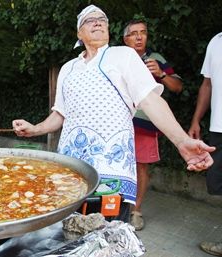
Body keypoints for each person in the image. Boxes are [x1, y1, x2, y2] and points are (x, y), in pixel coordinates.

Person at [12, 5, 214, 222]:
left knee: (109, 237)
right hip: (70, 171)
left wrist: (182, 141)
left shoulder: (123, 56)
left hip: (112, 171)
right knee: (68, 236)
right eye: (90, 20)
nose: (98, 22)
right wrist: (35, 129)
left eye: (102, 19)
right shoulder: (68, 69)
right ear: (79, 33)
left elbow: (150, 100)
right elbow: (60, 114)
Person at [123, 20, 183, 230]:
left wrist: (162, 74)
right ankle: (113, 206)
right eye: (134, 34)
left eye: (143, 33)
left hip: (145, 125)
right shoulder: (118, 58)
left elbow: (177, 87)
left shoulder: (156, 59)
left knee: (141, 167)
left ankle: (136, 211)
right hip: (118, 124)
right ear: (125, 39)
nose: (139, 37)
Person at [188, 32, 222, 257]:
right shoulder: (216, 41)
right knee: (219, 184)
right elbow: (207, 84)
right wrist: (196, 119)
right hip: (218, 127)